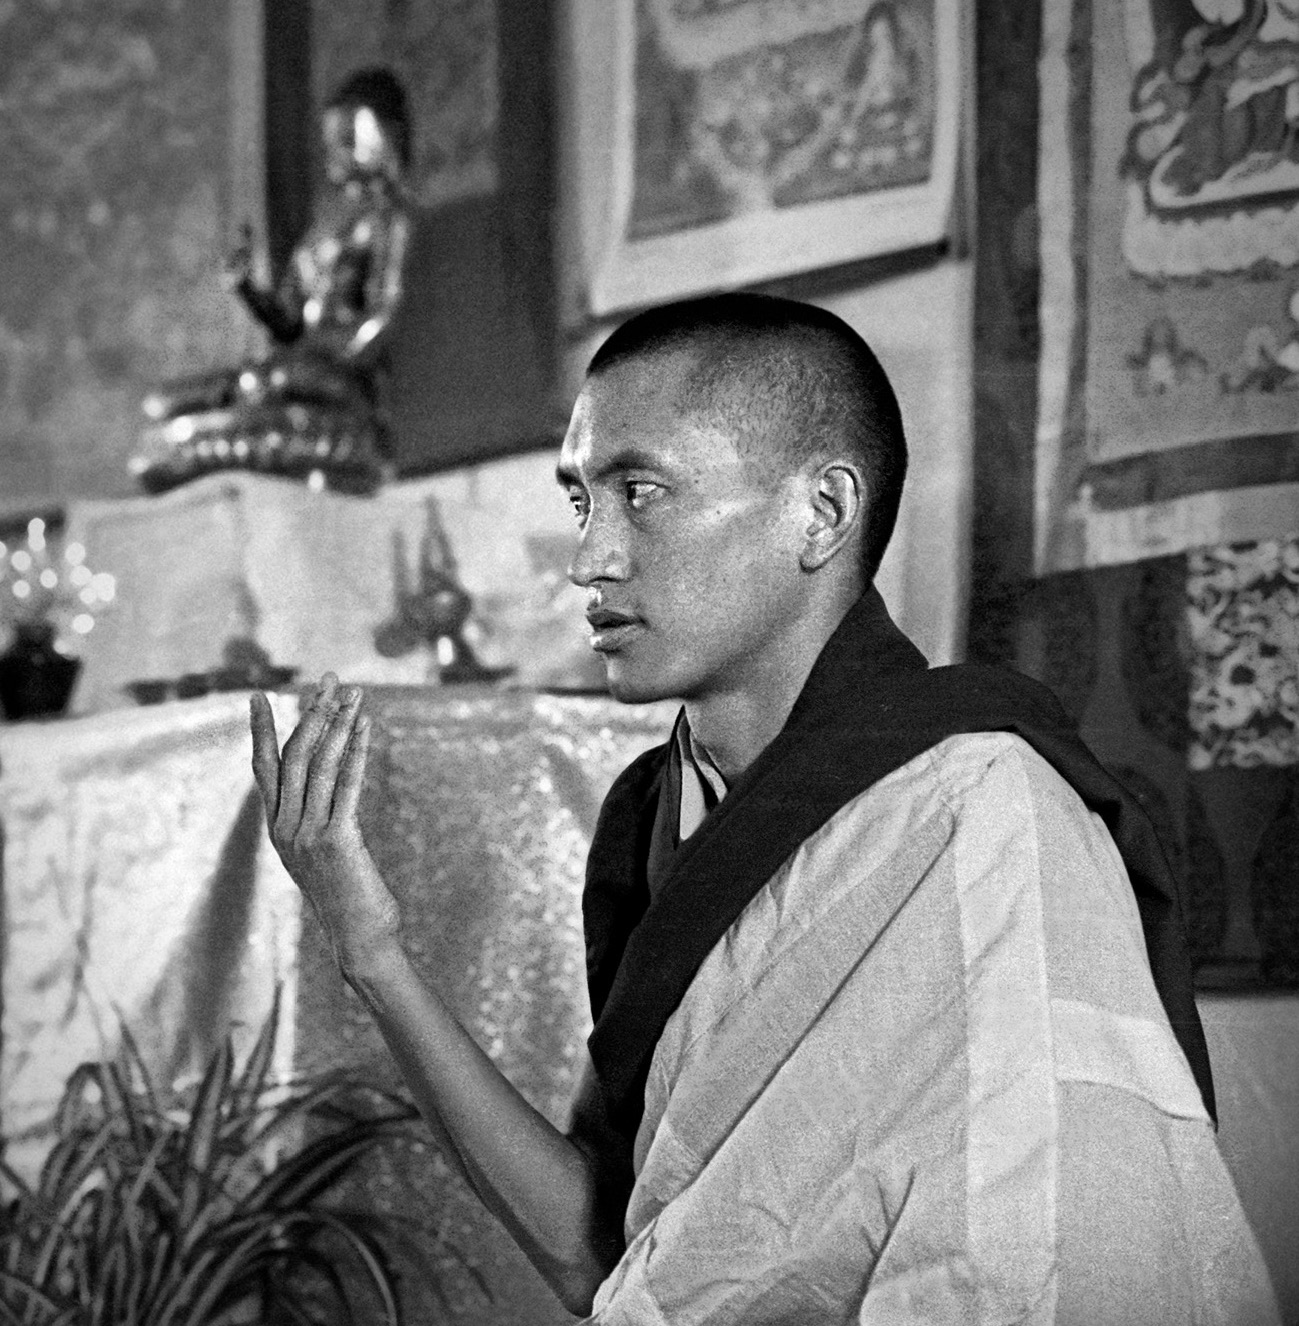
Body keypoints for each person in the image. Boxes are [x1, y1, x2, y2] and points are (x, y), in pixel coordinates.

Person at [249, 293, 1279, 1322]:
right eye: (581, 502)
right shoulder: (653, 814)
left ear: (822, 514)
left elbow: (1038, 1257)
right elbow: (596, 1254)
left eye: (641, 493)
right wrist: (370, 948)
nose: (588, 558)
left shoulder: (980, 813)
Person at [135, 68, 412, 494]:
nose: (332, 153)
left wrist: (330, 351)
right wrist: (247, 288)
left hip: (338, 378)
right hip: (295, 365)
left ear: (379, 138)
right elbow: (288, 323)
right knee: (163, 403)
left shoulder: (387, 219)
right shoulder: (322, 229)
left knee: (265, 385)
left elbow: (383, 315)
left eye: (345, 140)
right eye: (329, 142)